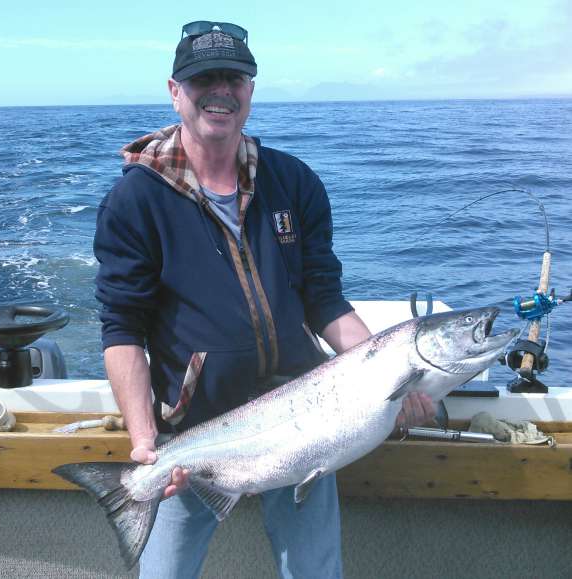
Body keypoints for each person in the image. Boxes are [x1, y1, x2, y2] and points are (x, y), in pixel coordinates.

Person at [93, 20, 434, 579]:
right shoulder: (136, 200)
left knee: (316, 572)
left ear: (251, 88)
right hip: (195, 430)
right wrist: (146, 447)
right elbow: (122, 329)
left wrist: (394, 376)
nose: (220, 91)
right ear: (175, 90)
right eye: (204, 79)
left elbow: (325, 300)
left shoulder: (293, 181)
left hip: (309, 421)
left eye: (234, 77)